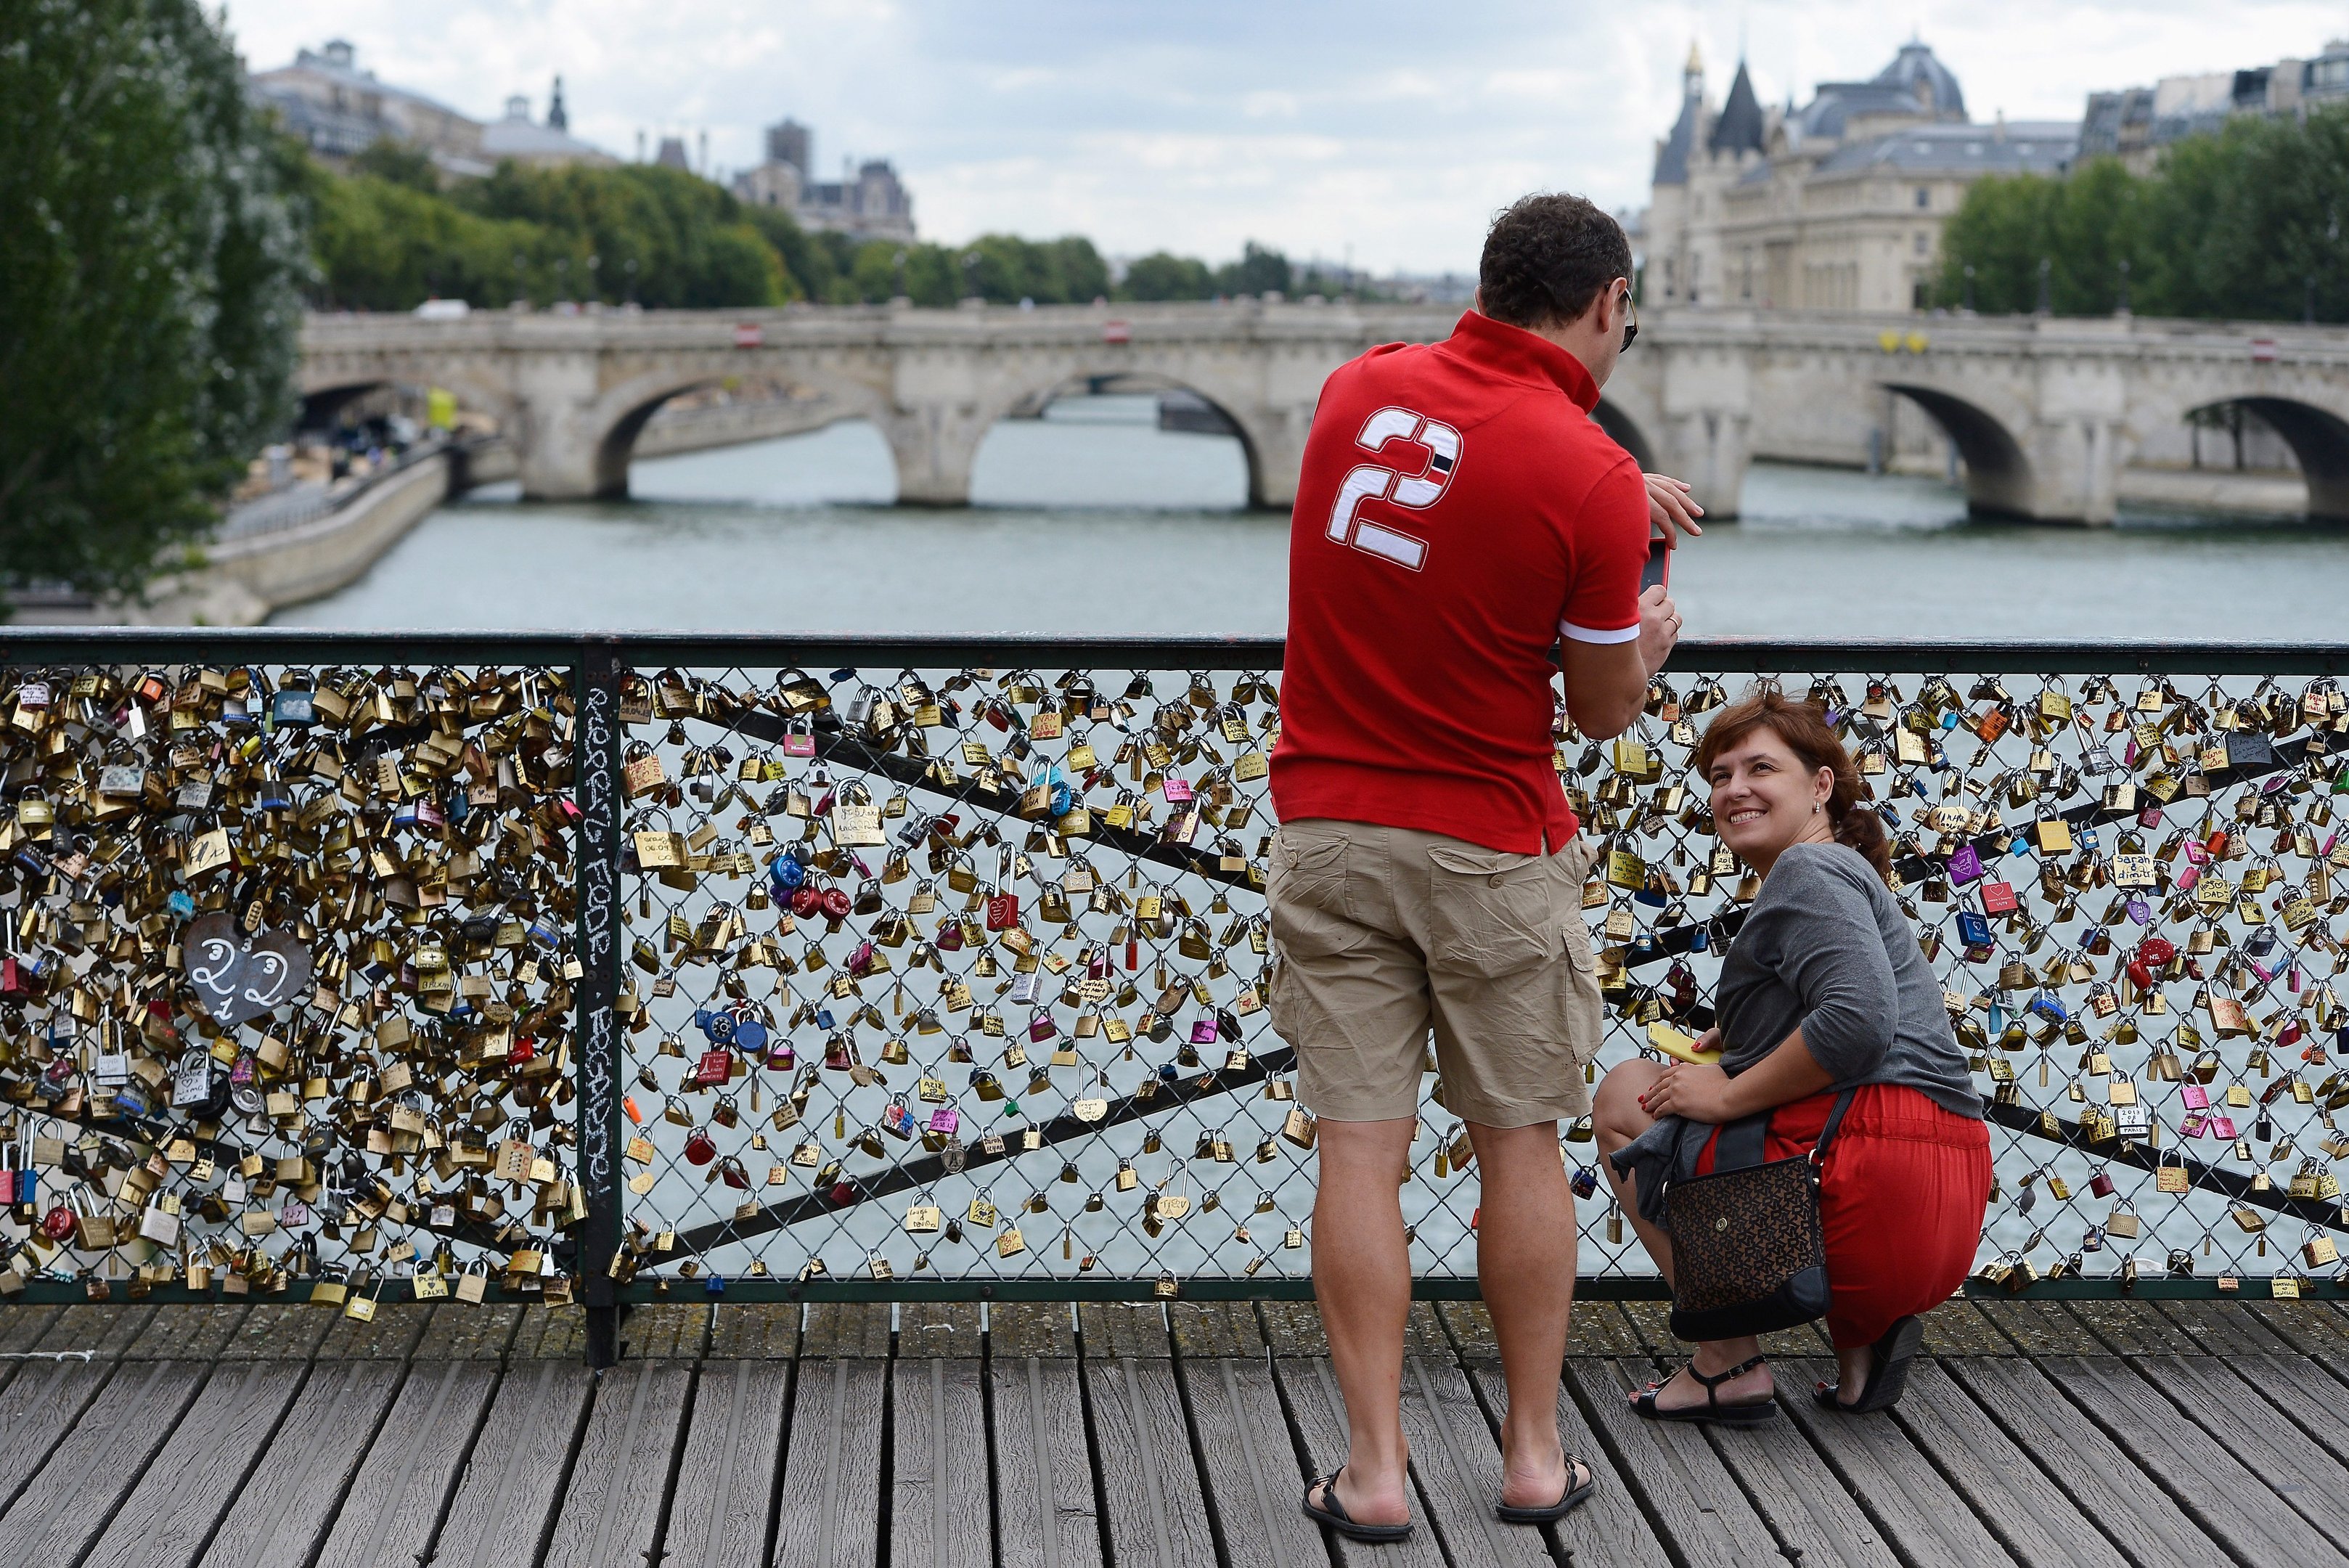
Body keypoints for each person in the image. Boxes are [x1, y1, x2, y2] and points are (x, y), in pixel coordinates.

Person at [1267, 191, 1700, 1542]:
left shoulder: (1357, 390)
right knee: (1516, 1144)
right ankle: (1528, 1455)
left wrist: (1616, 500)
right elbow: (1603, 708)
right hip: (1488, 841)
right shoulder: (1588, 474)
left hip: (1329, 826)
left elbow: (1447, 507)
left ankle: (1375, 1472)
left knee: (1358, 1148)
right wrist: (1647, 622)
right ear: (1608, 303)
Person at [1596, 690, 1990, 1420]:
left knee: (1626, 1094)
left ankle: (1725, 1362)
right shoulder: (1846, 871)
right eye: (1718, 776)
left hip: (1861, 1189)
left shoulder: (1805, 874)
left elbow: (1858, 1022)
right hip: (1944, 1201)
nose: (1733, 789)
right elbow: (1875, 1019)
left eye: (1758, 769)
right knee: (1718, 1089)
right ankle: (1860, 1349)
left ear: (1818, 787)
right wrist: (1748, 1036)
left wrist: (1721, 1095)